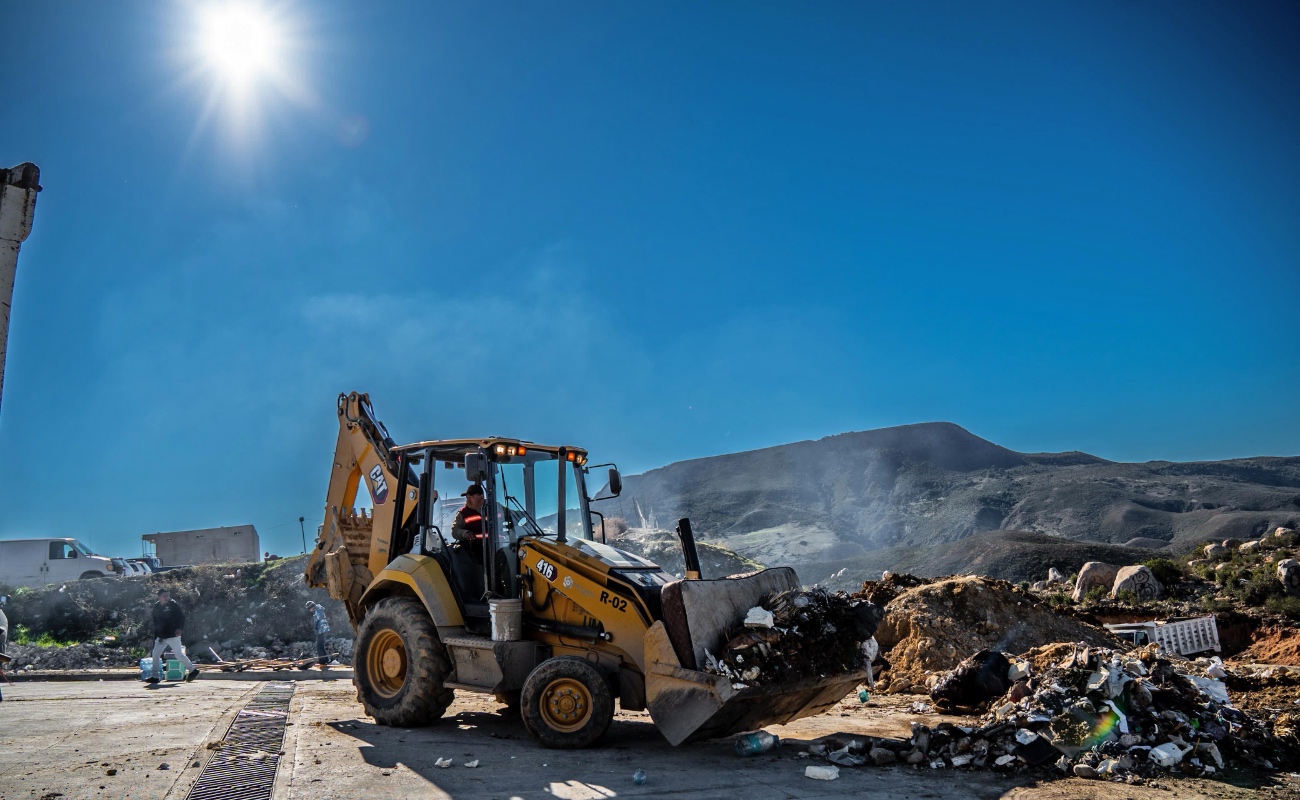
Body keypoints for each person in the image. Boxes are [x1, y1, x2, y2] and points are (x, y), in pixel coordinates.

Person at [148, 589, 198, 684]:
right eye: (164, 596)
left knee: (178, 654)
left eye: (168, 595)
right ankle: (155, 676)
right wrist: (156, 635)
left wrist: (180, 628)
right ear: (159, 597)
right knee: (155, 654)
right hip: (161, 636)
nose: (166, 598)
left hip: (172, 634)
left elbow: (181, 617)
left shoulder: (173, 604)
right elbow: (155, 621)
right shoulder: (156, 606)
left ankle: (193, 670)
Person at [452, 484, 489, 560]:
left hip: (496, 549)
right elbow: (455, 530)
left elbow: (512, 515)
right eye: (467, 498)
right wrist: (465, 533)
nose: (468, 501)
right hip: (473, 554)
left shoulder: (495, 507)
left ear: (481, 497)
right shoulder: (463, 513)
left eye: (471, 497)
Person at [306, 601, 330, 668]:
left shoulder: (317, 611)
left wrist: (315, 629)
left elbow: (317, 621)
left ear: (311, 607)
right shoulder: (319, 609)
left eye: (309, 609)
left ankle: (322, 661)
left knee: (319, 646)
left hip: (321, 630)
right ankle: (326, 659)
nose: (309, 610)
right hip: (324, 630)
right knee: (321, 646)